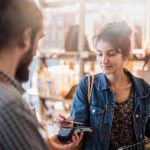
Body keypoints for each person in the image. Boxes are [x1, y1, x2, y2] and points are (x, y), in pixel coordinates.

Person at [0, 0, 83, 150]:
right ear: (26, 38)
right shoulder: (11, 105)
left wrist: (45, 146)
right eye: (38, 39)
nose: (36, 51)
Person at [56, 21, 150, 150]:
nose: (104, 60)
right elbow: (78, 129)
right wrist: (69, 127)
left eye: (111, 54)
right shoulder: (87, 85)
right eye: (100, 54)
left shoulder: (143, 89)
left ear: (125, 55)